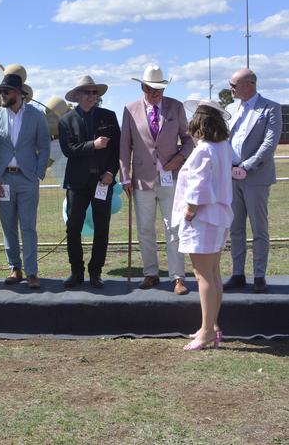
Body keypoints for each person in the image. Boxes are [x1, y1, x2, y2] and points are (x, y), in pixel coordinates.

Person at [120, 65, 194, 295]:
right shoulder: (130, 109)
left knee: (174, 227)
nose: (156, 94)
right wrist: (125, 177)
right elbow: (125, 146)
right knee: (145, 229)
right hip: (142, 180)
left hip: (172, 178)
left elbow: (189, 139)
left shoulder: (176, 106)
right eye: (152, 89)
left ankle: (178, 277)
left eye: (160, 89)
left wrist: (180, 158)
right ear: (142, 87)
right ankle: (150, 273)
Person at [171, 100, 233, 350]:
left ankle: (207, 331)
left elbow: (198, 184)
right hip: (218, 217)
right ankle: (211, 326)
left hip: (203, 218)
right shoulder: (223, 147)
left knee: (203, 275)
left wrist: (189, 210)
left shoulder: (205, 149)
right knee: (213, 274)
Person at [0, 74, 50, 289]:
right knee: (8, 227)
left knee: (28, 227)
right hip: (3, 180)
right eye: (0, 91)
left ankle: (32, 272)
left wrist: (38, 173)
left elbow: (44, 146)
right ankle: (15, 268)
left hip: (27, 179)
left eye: (6, 91)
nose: (1, 94)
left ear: (19, 94)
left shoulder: (36, 115)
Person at [223, 68, 282, 293]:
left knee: (259, 229)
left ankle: (259, 275)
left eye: (234, 84)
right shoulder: (229, 108)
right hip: (231, 176)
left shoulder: (270, 108)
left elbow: (269, 144)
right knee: (235, 229)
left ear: (250, 84)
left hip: (255, 177)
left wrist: (246, 167)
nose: (231, 88)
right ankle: (238, 273)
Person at [59, 76, 120, 289]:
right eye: (87, 92)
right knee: (73, 227)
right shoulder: (66, 120)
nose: (92, 96)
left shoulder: (109, 117)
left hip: (103, 181)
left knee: (102, 227)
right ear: (77, 95)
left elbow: (117, 150)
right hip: (77, 183)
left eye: (95, 93)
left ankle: (96, 272)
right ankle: (76, 271)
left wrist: (111, 172)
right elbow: (69, 149)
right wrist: (92, 145)